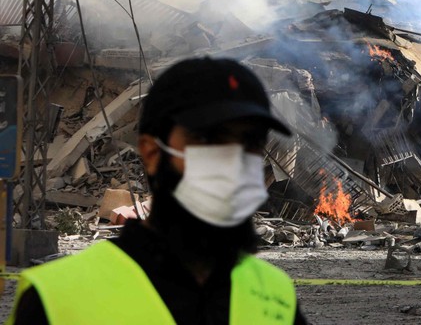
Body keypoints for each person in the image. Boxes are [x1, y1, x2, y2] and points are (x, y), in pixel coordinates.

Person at [8, 56, 310, 324]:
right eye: (209, 139)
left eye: (251, 142)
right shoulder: (56, 300)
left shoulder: (278, 297)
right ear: (152, 153)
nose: (233, 159)